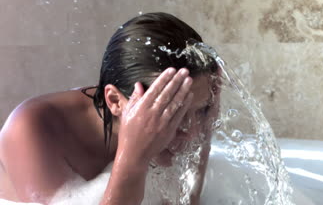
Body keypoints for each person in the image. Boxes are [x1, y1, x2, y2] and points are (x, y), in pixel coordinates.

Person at [0, 12, 220, 205]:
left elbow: (185, 202)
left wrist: (207, 127)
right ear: (115, 101)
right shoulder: (30, 129)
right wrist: (134, 158)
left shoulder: (179, 132)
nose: (192, 132)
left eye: (201, 110)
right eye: (173, 113)